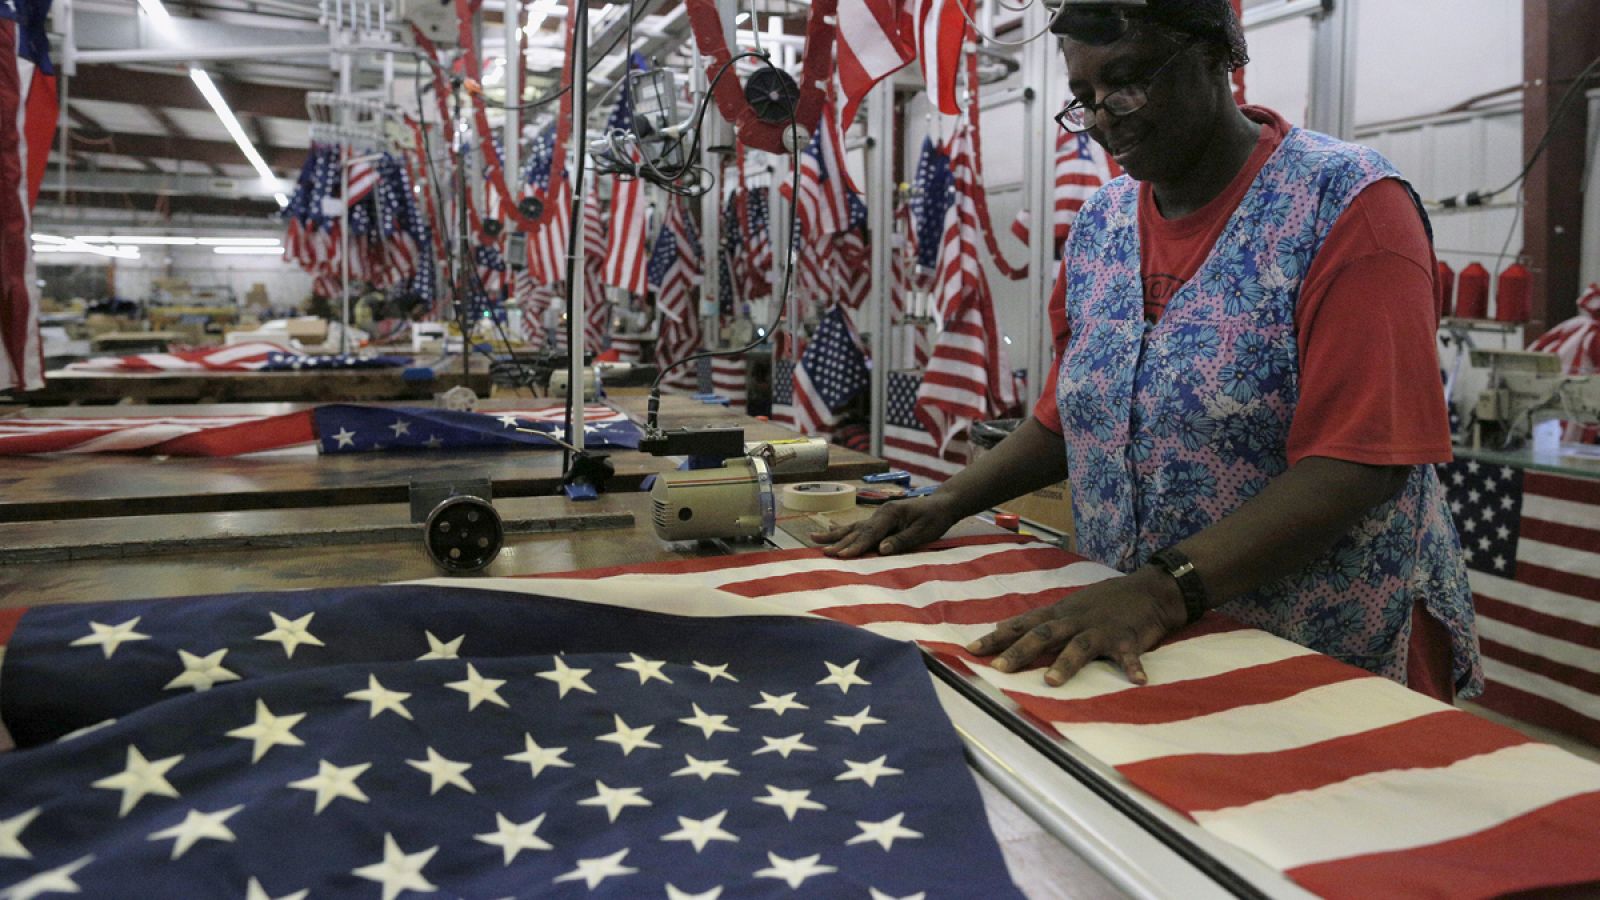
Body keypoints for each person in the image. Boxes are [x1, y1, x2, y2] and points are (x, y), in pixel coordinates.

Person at [816, 0, 1481, 702]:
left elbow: (1357, 462)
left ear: (1213, 55)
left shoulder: (1345, 204)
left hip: (1319, 652)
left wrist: (1165, 591)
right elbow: (1069, 417)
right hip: (1145, 635)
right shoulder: (1101, 225)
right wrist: (945, 503)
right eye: (1083, 98)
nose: (1104, 115)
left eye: (1126, 82)